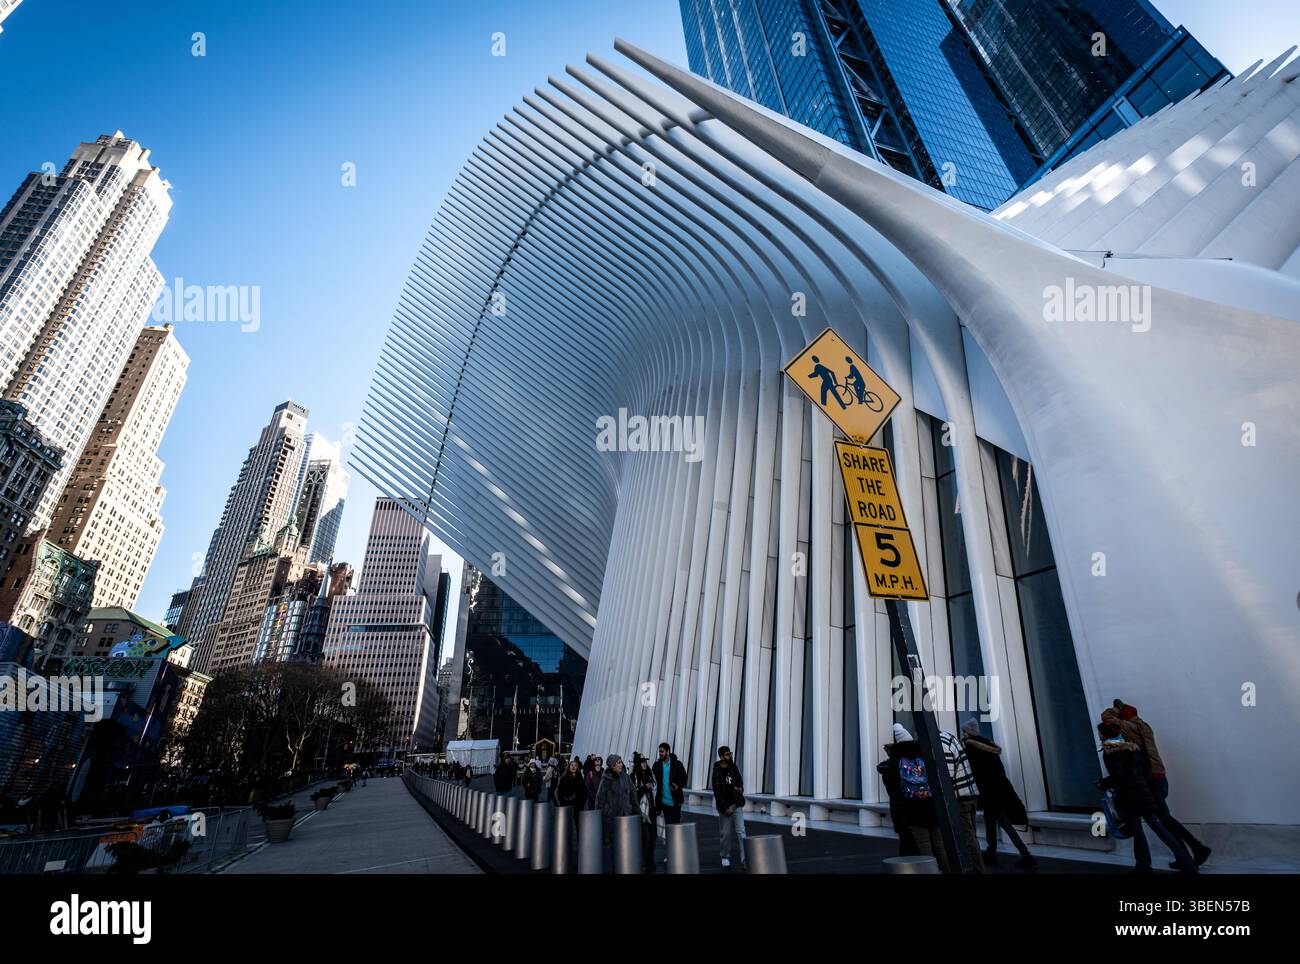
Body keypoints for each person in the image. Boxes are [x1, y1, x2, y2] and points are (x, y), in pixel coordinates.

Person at [1111, 700, 1211, 869]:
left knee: (1163, 820)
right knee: (1164, 819)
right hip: (1159, 777)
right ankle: (1187, 854)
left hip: (1151, 779)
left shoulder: (1132, 728)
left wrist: (1115, 708)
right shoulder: (1143, 726)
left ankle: (1195, 848)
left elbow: (1107, 719)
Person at [1096, 719, 1198, 874]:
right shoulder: (1134, 748)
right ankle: (1187, 862)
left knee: (1138, 832)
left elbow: (1120, 777)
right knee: (1159, 828)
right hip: (1144, 794)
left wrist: (1103, 783)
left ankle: (1143, 865)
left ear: (1104, 735)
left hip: (1128, 797)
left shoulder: (1110, 753)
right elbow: (1143, 771)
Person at [960, 719, 1036, 868]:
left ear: (968, 732)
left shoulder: (971, 748)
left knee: (1004, 823)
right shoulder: (989, 747)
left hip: (989, 793)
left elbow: (972, 771)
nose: (963, 735)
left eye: (964, 732)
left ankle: (1027, 855)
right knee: (990, 821)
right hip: (999, 789)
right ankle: (991, 852)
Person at [878, 724, 949, 872]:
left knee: (924, 846)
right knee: (940, 844)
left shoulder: (896, 758)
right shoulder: (924, 752)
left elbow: (892, 787)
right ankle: (948, 870)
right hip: (931, 806)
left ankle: (930, 871)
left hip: (912, 810)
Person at [940, 728, 984, 873]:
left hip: (961, 797)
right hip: (970, 793)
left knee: (968, 838)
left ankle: (977, 870)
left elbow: (947, 775)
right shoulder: (949, 737)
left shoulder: (941, 743)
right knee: (971, 836)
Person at [595, 754, 638, 864]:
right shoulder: (606, 780)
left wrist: (637, 812)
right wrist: (600, 817)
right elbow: (599, 799)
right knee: (615, 845)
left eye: (621, 762)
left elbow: (633, 795)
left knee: (627, 843)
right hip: (611, 818)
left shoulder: (626, 777)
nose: (621, 764)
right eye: (618, 762)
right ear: (612, 765)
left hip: (626, 816)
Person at [710, 746, 747, 870]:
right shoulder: (716, 772)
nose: (730, 756)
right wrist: (725, 808)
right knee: (725, 834)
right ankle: (725, 856)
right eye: (727, 754)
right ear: (721, 757)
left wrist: (740, 789)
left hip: (737, 804)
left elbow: (740, 782)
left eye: (730, 754)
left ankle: (745, 859)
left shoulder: (734, 767)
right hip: (725, 807)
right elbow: (717, 792)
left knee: (741, 832)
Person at [632, 756, 660, 873]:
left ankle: (650, 861)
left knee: (653, 838)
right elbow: (633, 795)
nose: (644, 764)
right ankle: (643, 861)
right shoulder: (634, 776)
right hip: (642, 811)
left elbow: (656, 791)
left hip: (652, 810)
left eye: (645, 762)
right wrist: (644, 787)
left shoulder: (651, 774)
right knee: (646, 838)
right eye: (642, 762)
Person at [656, 742, 687, 826]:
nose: (660, 753)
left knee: (676, 826)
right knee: (668, 826)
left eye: (662, 751)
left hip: (676, 801)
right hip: (664, 802)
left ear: (668, 752)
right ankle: (669, 839)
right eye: (659, 752)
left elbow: (684, 779)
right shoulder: (657, 766)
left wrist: (678, 786)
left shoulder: (677, 764)